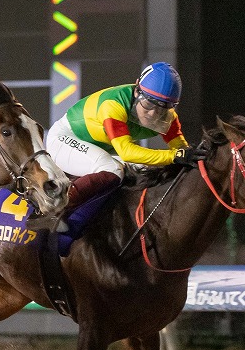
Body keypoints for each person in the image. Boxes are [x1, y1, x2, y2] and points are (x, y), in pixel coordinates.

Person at [46, 62, 208, 227]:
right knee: (112, 169)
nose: (153, 114)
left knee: (144, 170)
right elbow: (127, 152)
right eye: (149, 104)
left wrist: (196, 157)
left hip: (99, 147)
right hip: (64, 139)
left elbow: (182, 150)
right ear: (137, 90)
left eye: (162, 108)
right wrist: (175, 156)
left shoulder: (169, 118)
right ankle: (53, 210)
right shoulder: (113, 105)